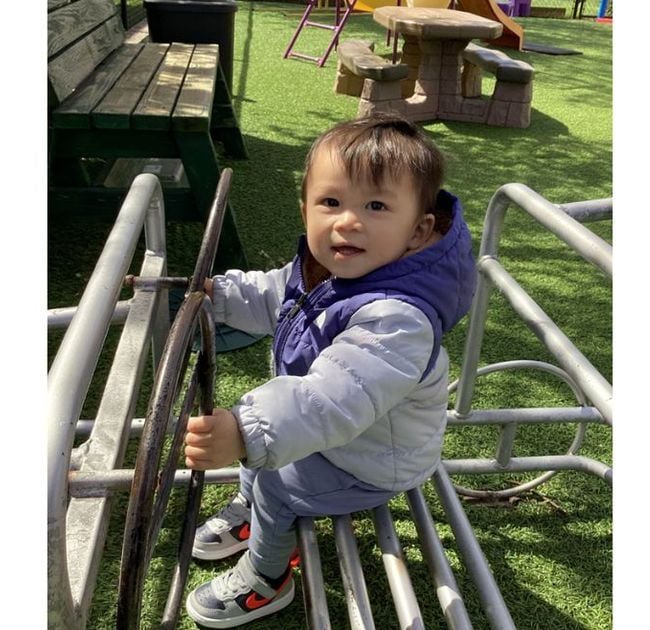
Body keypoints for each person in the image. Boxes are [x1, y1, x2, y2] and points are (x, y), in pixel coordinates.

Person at [183, 114, 477, 628]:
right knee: (265, 437)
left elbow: (331, 398)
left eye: (377, 206)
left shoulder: (397, 320)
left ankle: (267, 580)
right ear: (305, 210)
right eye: (331, 203)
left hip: (374, 459)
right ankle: (254, 515)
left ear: (419, 230)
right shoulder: (329, 271)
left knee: (273, 470)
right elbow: (273, 295)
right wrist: (222, 295)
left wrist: (247, 429)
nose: (348, 221)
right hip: (337, 436)